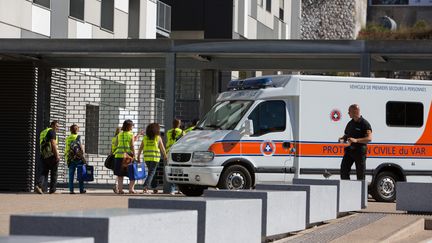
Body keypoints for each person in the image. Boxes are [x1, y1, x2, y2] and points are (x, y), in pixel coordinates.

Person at [339, 104, 372, 180]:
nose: (348, 113)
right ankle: (346, 187)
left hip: (359, 151)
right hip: (350, 150)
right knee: (344, 170)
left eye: (349, 111)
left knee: (360, 173)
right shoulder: (350, 123)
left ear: (355, 111)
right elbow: (346, 135)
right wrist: (342, 138)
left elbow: (369, 138)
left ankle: (361, 191)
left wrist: (356, 140)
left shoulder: (365, 124)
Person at [137, 123, 167, 194]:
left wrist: (138, 156)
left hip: (147, 158)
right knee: (152, 172)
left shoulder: (145, 138)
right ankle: (145, 187)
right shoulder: (158, 138)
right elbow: (162, 148)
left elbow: (141, 148)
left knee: (152, 172)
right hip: (155, 158)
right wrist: (165, 156)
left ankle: (154, 187)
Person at [36, 120, 60, 194]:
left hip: (44, 155)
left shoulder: (43, 132)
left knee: (44, 172)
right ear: (52, 125)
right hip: (51, 154)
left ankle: (39, 186)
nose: (57, 128)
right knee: (54, 172)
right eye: (57, 126)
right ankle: (53, 190)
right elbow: (53, 144)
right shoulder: (52, 131)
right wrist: (57, 155)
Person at [114, 120, 136, 194]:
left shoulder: (119, 134)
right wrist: (135, 155)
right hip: (128, 157)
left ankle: (120, 190)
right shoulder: (131, 134)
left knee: (120, 174)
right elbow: (132, 145)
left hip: (118, 156)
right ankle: (131, 189)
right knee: (132, 173)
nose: (133, 126)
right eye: (132, 125)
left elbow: (116, 144)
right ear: (129, 126)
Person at [164, 119, 185, 194]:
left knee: (171, 171)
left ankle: (172, 190)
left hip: (169, 152)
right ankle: (180, 189)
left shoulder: (168, 132)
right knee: (180, 171)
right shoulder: (182, 132)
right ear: (179, 124)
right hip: (178, 153)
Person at [65, 124, 86, 194]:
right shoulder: (78, 137)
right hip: (78, 158)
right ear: (77, 130)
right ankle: (81, 189)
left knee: (71, 175)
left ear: (70, 130)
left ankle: (71, 190)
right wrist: (83, 155)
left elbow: (67, 148)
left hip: (70, 158)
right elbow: (81, 148)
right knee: (81, 174)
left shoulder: (68, 138)